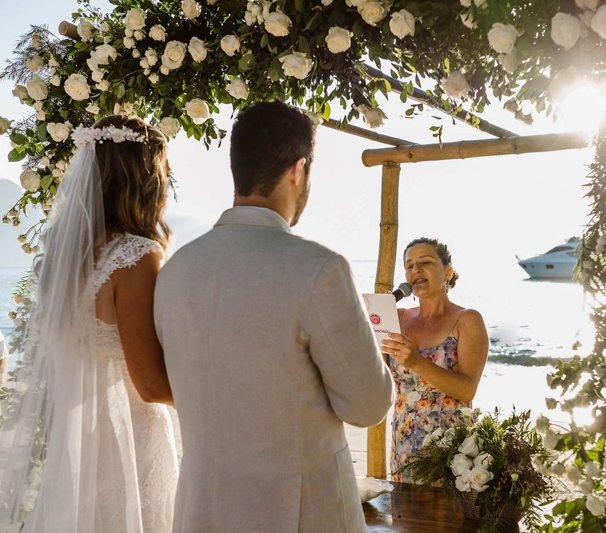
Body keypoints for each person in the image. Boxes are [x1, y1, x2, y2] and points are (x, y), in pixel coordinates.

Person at [154, 101, 393, 533]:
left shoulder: (174, 272)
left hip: (202, 512)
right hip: (301, 514)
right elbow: (368, 405)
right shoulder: (319, 270)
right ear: (298, 171)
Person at [0, 115, 178, 532]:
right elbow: (150, 384)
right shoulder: (136, 257)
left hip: (76, 443)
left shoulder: (62, 260)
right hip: (131, 442)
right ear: (144, 178)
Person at [382, 237, 489, 482]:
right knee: (406, 518)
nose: (416, 270)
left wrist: (417, 362)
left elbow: (467, 389)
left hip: (452, 450)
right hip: (404, 443)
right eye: (409, 266)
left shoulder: (467, 320)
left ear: (448, 272)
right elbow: (376, 378)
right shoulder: (396, 318)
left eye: (426, 262)